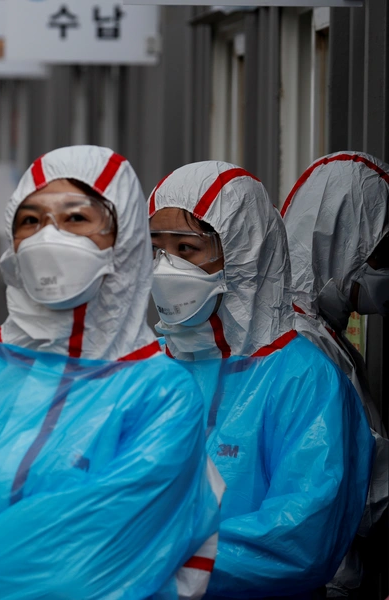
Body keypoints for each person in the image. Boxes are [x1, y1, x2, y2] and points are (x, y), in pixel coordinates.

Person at [0, 146, 223, 600]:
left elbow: (82, 561)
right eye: (30, 221)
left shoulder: (160, 393)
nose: (48, 238)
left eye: (75, 219)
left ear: (126, 239)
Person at [148, 160, 373, 598]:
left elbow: (299, 539)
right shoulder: (153, 370)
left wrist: (163, 562)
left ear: (242, 254)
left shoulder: (302, 379)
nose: (165, 268)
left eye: (187, 249)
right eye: (157, 249)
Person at [281, 151, 389, 596]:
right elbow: (369, 492)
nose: (383, 273)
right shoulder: (307, 343)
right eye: (380, 254)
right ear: (341, 241)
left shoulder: (302, 327)